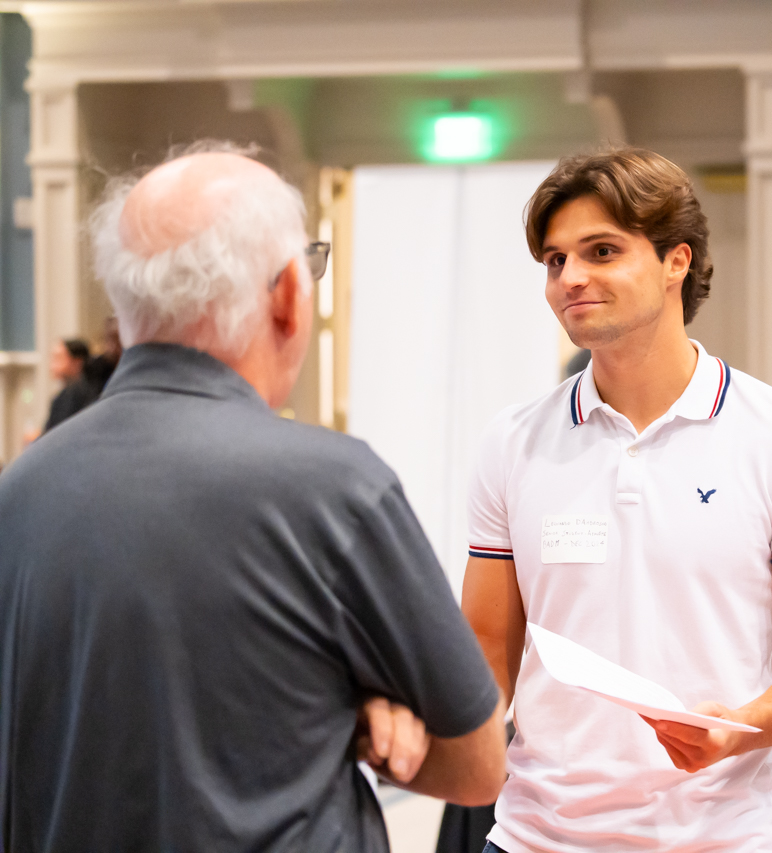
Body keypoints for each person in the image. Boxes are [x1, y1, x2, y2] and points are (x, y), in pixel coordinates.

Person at [0, 145, 506, 851]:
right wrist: (356, 722)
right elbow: (479, 766)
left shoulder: (22, 489)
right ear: (289, 297)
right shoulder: (331, 489)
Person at [462, 149, 772, 853]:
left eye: (602, 251)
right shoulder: (512, 441)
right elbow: (487, 649)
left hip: (716, 839)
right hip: (532, 838)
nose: (571, 279)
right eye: (555, 261)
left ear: (677, 260)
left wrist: (740, 723)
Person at [40, 337, 94, 433]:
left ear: (77, 362)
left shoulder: (85, 394)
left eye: (58, 358)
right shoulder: (61, 396)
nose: (52, 365)